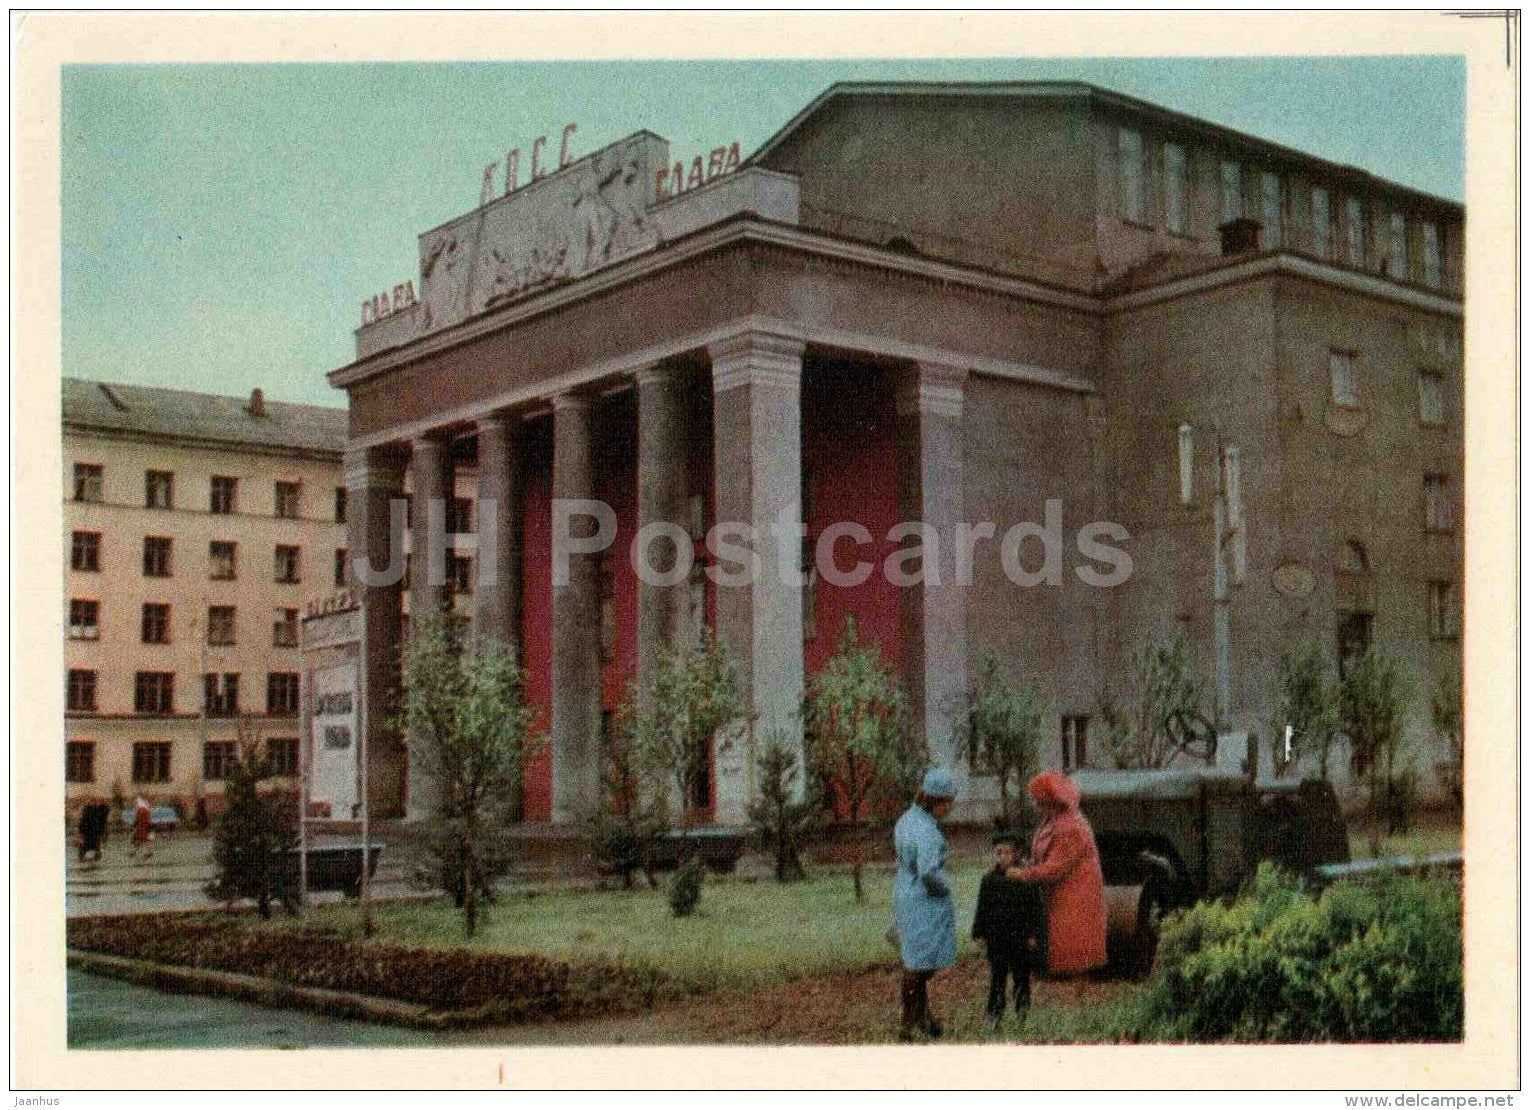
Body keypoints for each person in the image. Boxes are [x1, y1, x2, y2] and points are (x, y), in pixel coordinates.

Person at [1009, 770, 1107, 979]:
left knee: (1074, 945)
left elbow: (1055, 868)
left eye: (1037, 797)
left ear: (1048, 798)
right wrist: (1029, 865)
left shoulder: (1069, 826)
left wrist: (1024, 874)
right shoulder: (1053, 818)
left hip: (1076, 893)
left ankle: (1077, 985)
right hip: (1064, 891)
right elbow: (1043, 853)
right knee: (1065, 943)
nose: (1035, 802)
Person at [892, 767, 958, 1041]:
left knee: (915, 958)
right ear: (936, 801)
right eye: (947, 803)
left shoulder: (907, 819)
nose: (949, 809)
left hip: (905, 891)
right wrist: (946, 888)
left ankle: (923, 1019)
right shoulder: (927, 831)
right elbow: (929, 871)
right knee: (920, 965)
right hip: (923, 899)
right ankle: (908, 1024)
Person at [971, 830, 1044, 1029]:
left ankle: (1022, 1014)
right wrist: (979, 933)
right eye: (998, 853)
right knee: (997, 978)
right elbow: (982, 907)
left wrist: (1033, 935)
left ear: (1017, 854)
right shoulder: (989, 879)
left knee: (1021, 978)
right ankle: (994, 1015)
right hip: (997, 939)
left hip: (1020, 938)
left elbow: (1035, 909)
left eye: (1007, 852)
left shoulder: (1025, 878)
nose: (1002, 857)